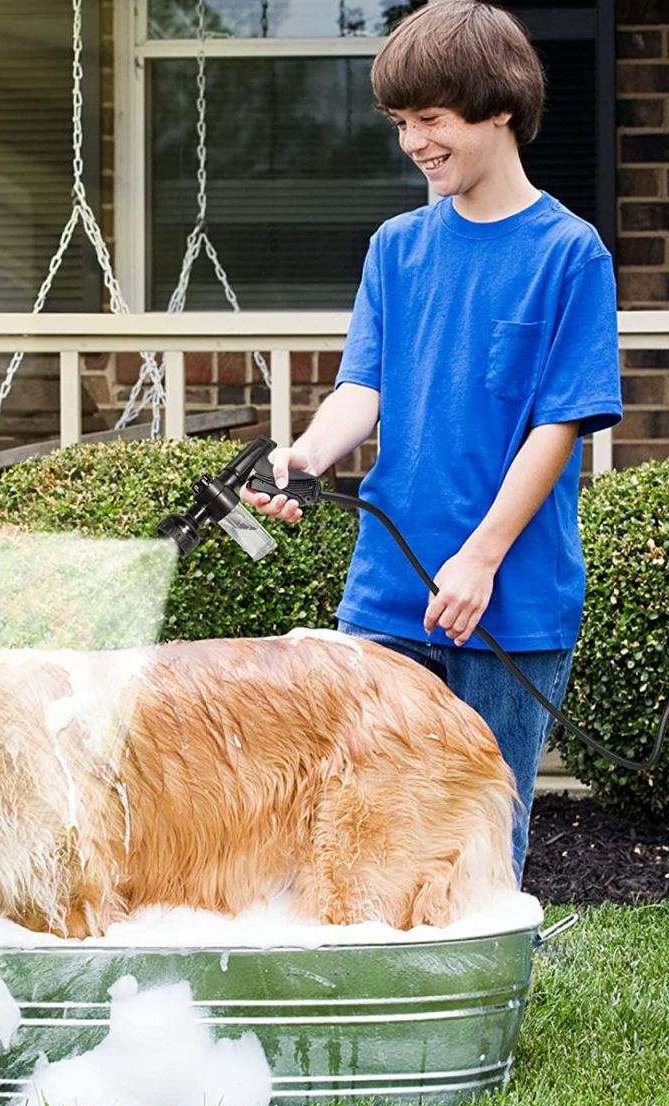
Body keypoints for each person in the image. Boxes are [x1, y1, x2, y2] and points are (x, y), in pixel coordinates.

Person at [242, 0, 622, 883]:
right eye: (401, 122)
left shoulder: (570, 255)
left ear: (500, 108)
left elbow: (555, 429)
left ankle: (480, 1017)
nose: (414, 140)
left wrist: (481, 559)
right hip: (387, 594)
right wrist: (305, 454)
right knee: (364, 819)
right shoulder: (397, 248)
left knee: (482, 833)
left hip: (509, 602)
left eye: (433, 119)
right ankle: (383, 1011)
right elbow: (361, 389)